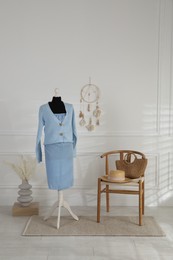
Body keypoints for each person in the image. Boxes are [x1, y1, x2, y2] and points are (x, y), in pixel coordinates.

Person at [36, 93, 78, 228]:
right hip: (51, 149)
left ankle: (62, 203)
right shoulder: (43, 109)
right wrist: (39, 155)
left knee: (66, 176)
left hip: (67, 148)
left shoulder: (70, 108)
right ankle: (58, 203)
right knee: (54, 176)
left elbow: (74, 131)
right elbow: (39, 132)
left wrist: (74, 151)